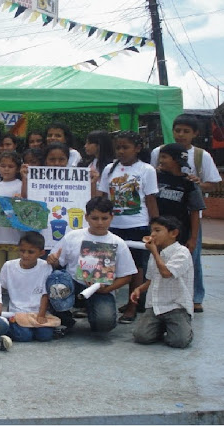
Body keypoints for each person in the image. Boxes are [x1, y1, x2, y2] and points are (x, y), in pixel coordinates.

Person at [149, 114, 222, 313]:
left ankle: (195, 297)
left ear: (195, 134)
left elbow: (213, 184)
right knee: (159, 258)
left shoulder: (201, 156)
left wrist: (198, 184)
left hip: (188, 220)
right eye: (177, 130)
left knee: (192, 259)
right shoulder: (158, 151)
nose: (181, 134)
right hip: (162, 222)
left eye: (186, 131)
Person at [46, 197, 137, 334]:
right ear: (86, 217)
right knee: (56, 278)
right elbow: (58, 262)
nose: (100, 223)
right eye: (95, 218)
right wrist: (53, 261)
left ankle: (93, 313)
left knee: (104, 324)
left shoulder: (118, 243)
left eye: (104, 218)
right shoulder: (73, 236)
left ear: (111, 217)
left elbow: (127, 276)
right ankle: (63, 316)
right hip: (74, 285)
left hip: (100, 289)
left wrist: (108, 289)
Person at [99, 131, 159, 324]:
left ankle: (133, 305)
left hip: (137, 225)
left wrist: (156, 227)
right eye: (118, 147)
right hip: (112, 225)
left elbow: (150, 199)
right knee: (106, 265)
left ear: (137, 148)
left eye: (126, 147)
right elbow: (102, 197)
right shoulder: (109, 169)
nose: (121, 151)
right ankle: (102, 303)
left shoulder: (146, 170)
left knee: (135, 268)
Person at [131, 216, 194, 348]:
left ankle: (182, 327)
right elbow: (153, 279)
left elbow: (166, 273)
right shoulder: (155, 253)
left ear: (173, 233)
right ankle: (161, 327)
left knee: (179, 342)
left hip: (176, 306)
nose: (152, 234)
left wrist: (154, 253)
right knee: (141, 336)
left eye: (157, 230)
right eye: (151, 231)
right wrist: (139, 289)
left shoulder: (182, 253)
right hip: (155, 305)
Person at [0, 232, 54, 342]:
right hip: (17, 312)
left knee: (45, 335)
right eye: (22, 251)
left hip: (37, 312)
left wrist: (41, 315)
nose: (25, 255)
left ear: (41, 253)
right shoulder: (9, 266)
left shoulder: (46, 267)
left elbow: (45, 294)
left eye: (31, 252)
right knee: (24, 336)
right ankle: (10, 326)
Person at [155, 144, 206, 249]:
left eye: (164, 157)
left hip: (179, 232)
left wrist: (193, 238)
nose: (160, 160)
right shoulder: (156, 177)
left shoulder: (190, 183)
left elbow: (195, 211)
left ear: (176, 160)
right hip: (156, 231)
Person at [0, 151, 23, 275]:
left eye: (10, 166)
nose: (6, 169)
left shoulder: (21, 186)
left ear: (17, 168)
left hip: (16, 237)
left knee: (14, 271)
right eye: (3, 166)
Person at [80, 130, 114, 196]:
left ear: (99, 145)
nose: (85, 146)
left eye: (89, 143)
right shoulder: (88, 164)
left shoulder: (110, 166)